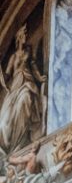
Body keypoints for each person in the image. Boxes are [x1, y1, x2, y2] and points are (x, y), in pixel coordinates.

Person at [0, 23, 44, 155]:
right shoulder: (13, 57)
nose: (26, 36)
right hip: (15, 87)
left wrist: (40, 77)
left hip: (28, 84)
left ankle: (21, 141)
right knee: (6, 118)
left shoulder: (28, 52)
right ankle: (11, 144)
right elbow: (7, 75)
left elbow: (33, 66)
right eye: (23, 34)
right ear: (18, 37)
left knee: (25, 100)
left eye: (26, 34)